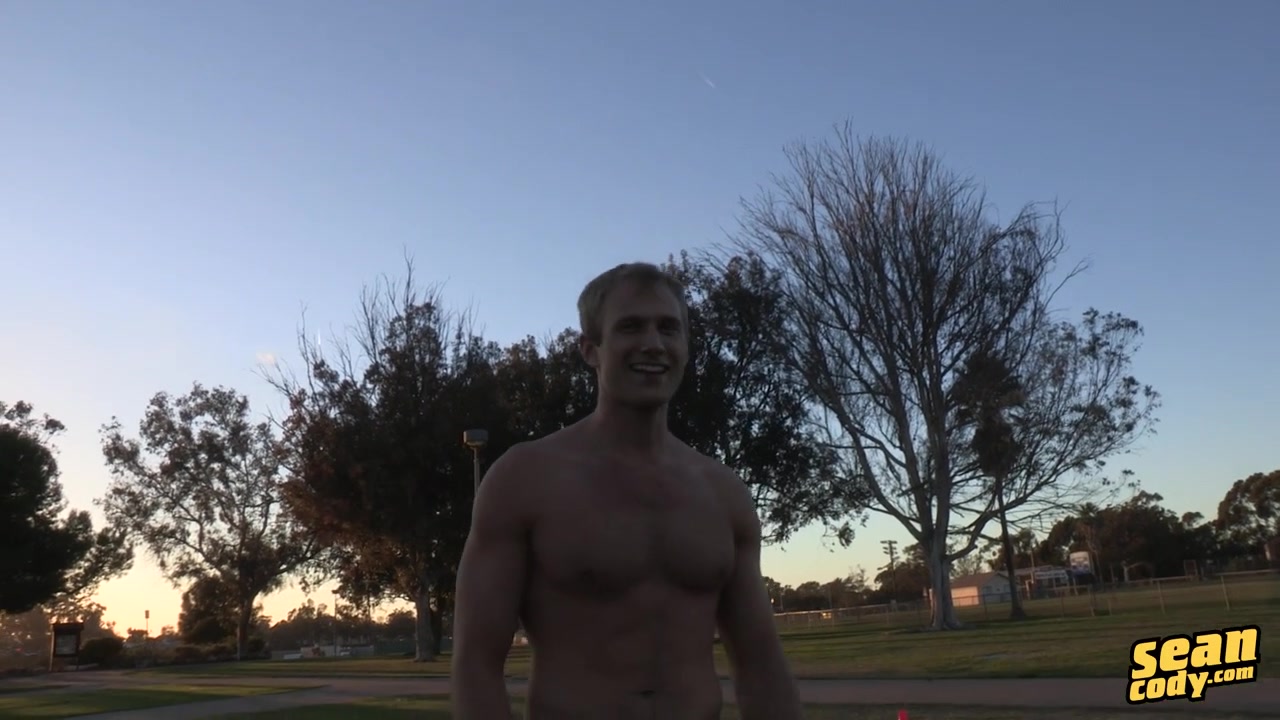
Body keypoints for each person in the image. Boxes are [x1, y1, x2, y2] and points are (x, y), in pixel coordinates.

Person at [452, 262, 803, 720]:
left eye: (668, 328)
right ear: (590, 350)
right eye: (631, 327)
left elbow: (761, 665)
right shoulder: (525, 479)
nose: (653, 343)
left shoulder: (723, 492)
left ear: (685, 346)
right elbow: (476, 664)